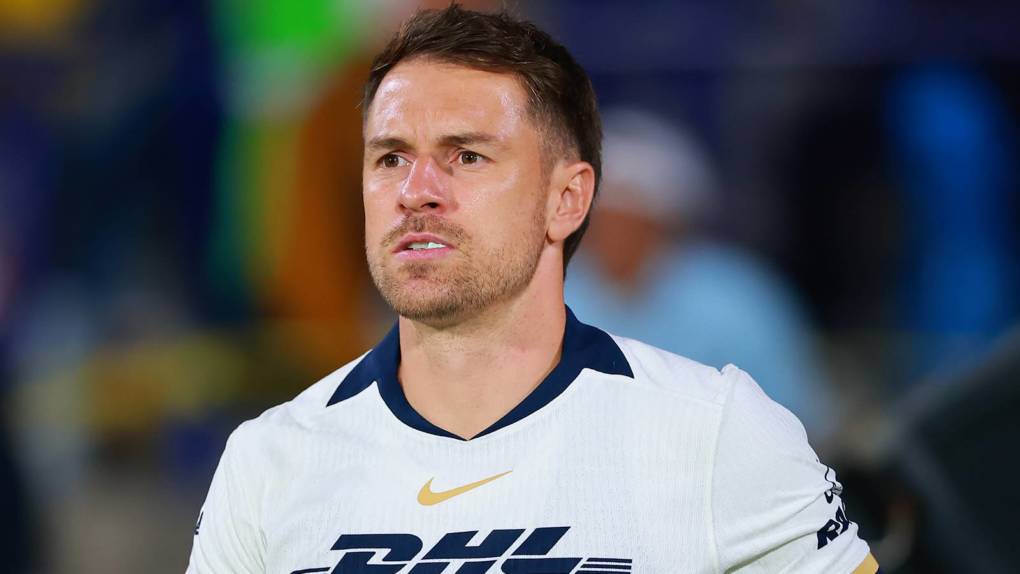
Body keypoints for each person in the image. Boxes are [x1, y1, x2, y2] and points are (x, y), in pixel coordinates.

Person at [187, 6, 878, 573]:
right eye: (391, 157)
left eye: (466, 155)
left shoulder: (717, 434)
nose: (415, 191)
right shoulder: (268, 461)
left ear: (566, 199)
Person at [566, 107, 835, 438]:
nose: (611, 234)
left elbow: (793, 413)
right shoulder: (558, 287)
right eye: (602, 219)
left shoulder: (737, 295)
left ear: (664, 223)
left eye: (628, 219)